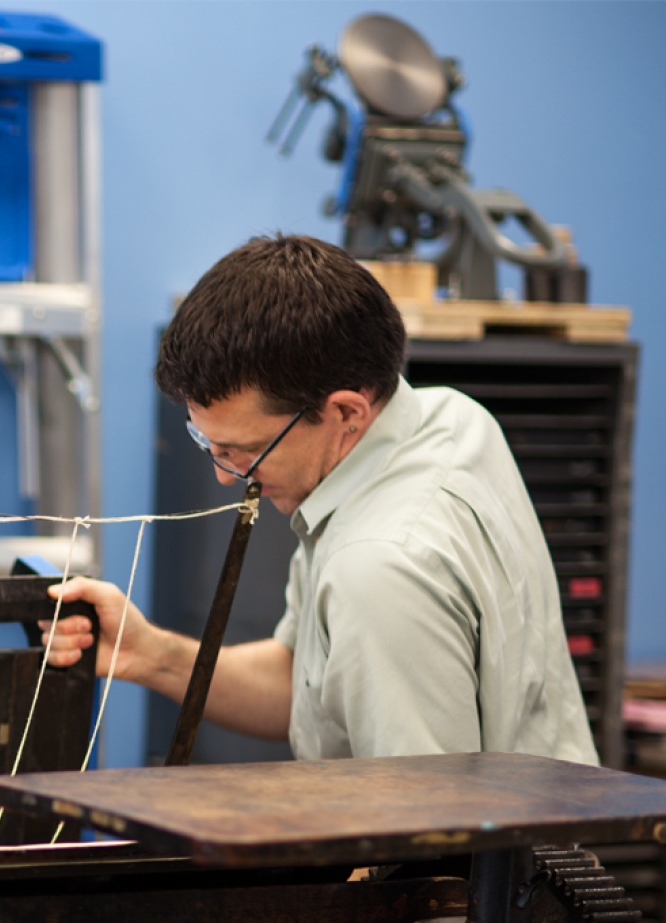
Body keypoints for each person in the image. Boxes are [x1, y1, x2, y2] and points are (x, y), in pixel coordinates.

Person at [44, 234, 595, 764]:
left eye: (246, 450)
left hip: (483, 852)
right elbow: (308, 685)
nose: (226, 478)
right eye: (207, 444)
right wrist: (150, 654)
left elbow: (428, 830)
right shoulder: (450, 418)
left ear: (347, 413)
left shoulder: (381, 567)